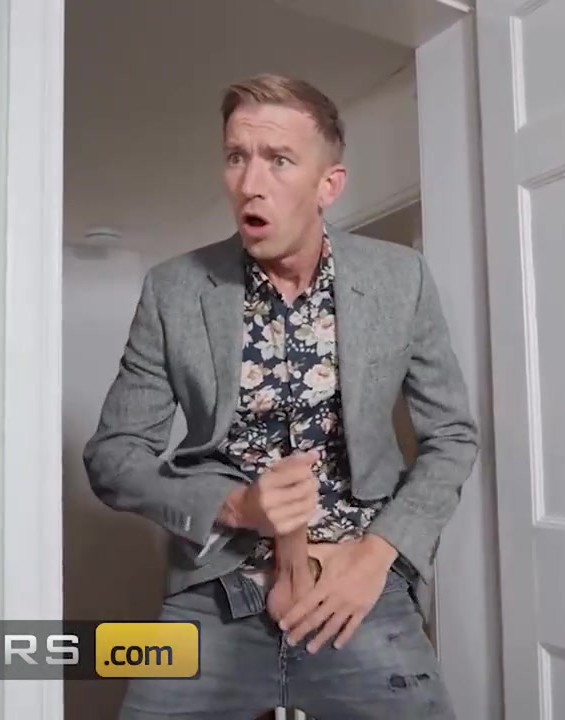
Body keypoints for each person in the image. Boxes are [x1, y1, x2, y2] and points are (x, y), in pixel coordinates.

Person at [83, 72, 479, 720]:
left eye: (279, 160)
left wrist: (378, 556)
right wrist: (234, 505)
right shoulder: (172, 290)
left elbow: (452, 437)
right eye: (236, 157)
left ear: (329, 184)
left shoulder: (400, 278)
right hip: (214, 587)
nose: (250, 182)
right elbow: (113, 457)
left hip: (357, 586)